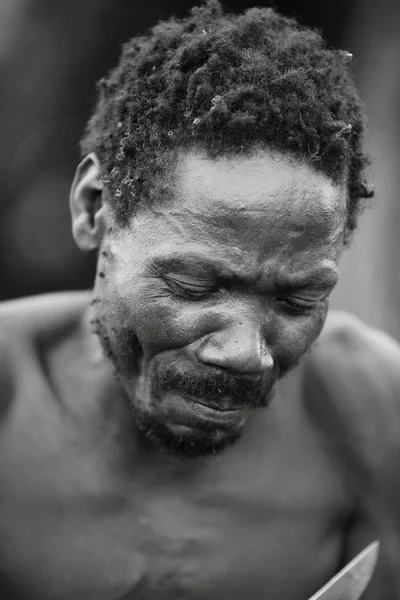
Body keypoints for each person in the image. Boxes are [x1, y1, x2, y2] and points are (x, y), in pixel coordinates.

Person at [0, 1, 399, 598]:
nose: (246, 354)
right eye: (194, 285)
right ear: (93, 210)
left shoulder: (371, 413)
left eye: (297, 299)